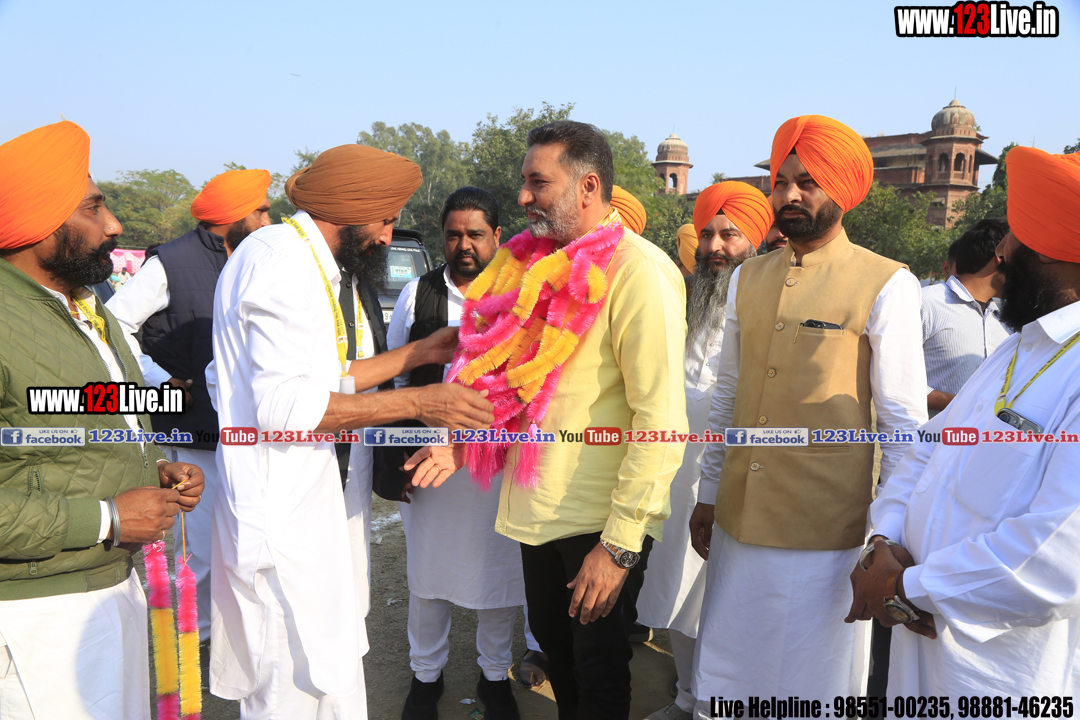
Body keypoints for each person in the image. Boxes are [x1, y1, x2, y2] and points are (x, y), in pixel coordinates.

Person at [407, 120, 688, 720]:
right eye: (525, 181)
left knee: (599, 681)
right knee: (562, 668)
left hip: (597, 522)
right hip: (536, 514)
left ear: (587, 187)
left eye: (538, 182)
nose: (523, 196)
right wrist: (463, 445)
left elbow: (661, 419)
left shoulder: (639, 271)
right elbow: (514, 386)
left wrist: (618, 547)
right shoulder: (533, 265)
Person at [206, 143, 494, 719]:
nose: (388, 237)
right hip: (284, 523)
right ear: (349, 211)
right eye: (384, 221)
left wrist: (417, 353)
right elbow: (285, 406)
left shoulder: (308, 260)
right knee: (292, 689)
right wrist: (422, 401)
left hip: (319, 510)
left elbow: (324, 378)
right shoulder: (281, 263)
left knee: (331, 677)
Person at [687, 114, 928, 707]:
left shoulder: (886, 282)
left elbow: (903, 426)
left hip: (827, 531)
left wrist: (888, 535)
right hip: (739, 518)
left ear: (841, 189)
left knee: (808, 682)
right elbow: (728, 394)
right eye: (781, 182)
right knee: (731, 669)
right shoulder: (747, 277)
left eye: (807, 182)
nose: (789, 194)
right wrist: (709, 492)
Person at [847, 146, 1080, 697]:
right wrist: (882, 540)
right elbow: (926, 451)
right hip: (919, 636)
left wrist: (906, 586)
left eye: (1015, 237)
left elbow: (1056, 559)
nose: (1000, 251)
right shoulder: (1018, 349)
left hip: (1001, 674)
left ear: (1050, 252)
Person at [0, 121, 204, 719]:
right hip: (37, 615)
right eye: (93, 207)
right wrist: (109, 517)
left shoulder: (87, 307)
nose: (114, 225)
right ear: (38, 223)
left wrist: (154, 467)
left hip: (113, 583)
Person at [106, 167, 272, 641]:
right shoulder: (172, 262)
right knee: (199, 546)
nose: (268, 220)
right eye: (261, 210)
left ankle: (229, 635)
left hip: (248, 428)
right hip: (193, 430)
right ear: (233, 215)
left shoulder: (257, 257)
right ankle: (195, 638)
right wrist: (163, 381)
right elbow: (114, 324)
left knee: (245, 539)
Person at [387, 186, 533, 720]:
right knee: (428, 578)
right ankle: (425, 677)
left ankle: (495, 677)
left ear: (498, 235)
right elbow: (396, 375)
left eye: (475, 234)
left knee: (499, 574)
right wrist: (402, 449)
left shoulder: (521, 292)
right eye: (453, 235)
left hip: (495, 464)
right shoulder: (418, 294)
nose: (463, 245)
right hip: (429, 464)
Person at [637, 182, 771, 720]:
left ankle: (722, 703)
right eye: (708, 234)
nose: (715, 247)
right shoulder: (682, 298)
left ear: (754, 240)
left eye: (729, 235)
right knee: (677, 585)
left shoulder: (772, 302)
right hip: (678, 472)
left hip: (744, 474)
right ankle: (688, 697)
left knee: (725, 595)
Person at [922, 218, 1011, 417]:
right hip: (930, 436)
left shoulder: (1004, 322)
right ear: (1001, 256)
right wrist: (970, 404)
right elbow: (894, 381)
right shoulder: (926, 303)